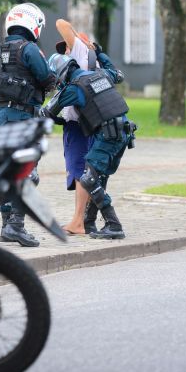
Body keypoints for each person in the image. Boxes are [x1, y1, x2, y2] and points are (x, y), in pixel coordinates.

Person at [42, 47, 136, 240]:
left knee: (88, 179)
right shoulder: (100, 74)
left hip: (108, 135)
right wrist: (99, 53)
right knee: (98, 177)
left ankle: (114, 224)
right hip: (124, 131)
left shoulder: (74, 88)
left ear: (60, 75)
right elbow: (118, 73)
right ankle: (89, 222)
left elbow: (47, 112)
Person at [0, 2, 57, 246]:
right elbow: (47, 78)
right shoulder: (29, 49)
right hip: (22, 117)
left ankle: (6, 224)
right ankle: (16, 226)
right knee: (28, 172)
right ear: (33, 24)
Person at [54, 18, 98, 235]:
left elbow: (60, 23)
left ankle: (78, 221)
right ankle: (85, 220)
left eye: (68, 46)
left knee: (80, 169)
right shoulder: (92, 65)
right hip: (89, 122)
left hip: (78, 125)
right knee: (86, 169)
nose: (66, 52)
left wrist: (77, 37)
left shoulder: (82, 54)